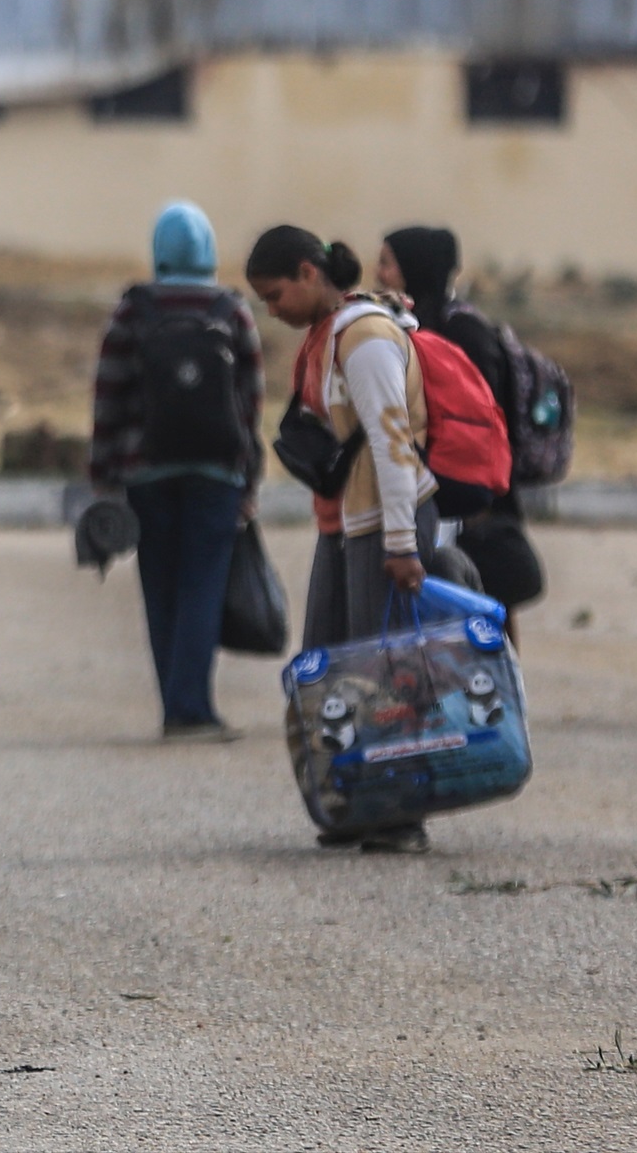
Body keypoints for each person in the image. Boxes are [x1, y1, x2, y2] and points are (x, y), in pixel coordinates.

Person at [246, 227, 439, 854]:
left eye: (275, 296)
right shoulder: (324, 338)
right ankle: (355, 805)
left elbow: (391, 442)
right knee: (332, 668)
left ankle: (402, 815)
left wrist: (402, 544)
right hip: (346, 526)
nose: (271, 311)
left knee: (384, 674)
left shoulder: (365, 338)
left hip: (386, 524)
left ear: (308, 273)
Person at [88, 202, 265, 741]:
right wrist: (249, 475)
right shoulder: (231, 310)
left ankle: (175, 705)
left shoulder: (133, 312)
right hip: (216, 470)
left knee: (159, 585)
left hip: (147, 472)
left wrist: (103, 474)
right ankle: (193, 709)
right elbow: (250, 402)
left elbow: (108, 395)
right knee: (202, 586)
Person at [378, 227, 543, 644]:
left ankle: (501, 695)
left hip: (473, 494)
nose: (380, 274)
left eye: (387, 263)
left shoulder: (465, 331)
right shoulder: (413, 325)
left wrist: (473, 493)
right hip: (433, 484)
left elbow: (483, 418)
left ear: (415, 267)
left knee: (486, 603)